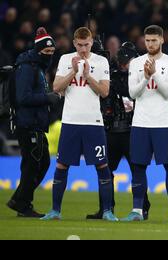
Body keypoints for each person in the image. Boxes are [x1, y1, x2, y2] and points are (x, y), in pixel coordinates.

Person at [41, 27, 118, 221]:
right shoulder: (66, 60)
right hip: (70, 121)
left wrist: (87, 75)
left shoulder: (101, 62)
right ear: (74, 43)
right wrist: (73, 72)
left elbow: (105, 91)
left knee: (102, 165)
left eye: (87, 44)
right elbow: (56, 87)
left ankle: (107, 211)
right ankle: (55, 211)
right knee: (61, 164)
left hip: (93, 122)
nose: (83, 49)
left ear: (91, 42)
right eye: (80, 45)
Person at [86, 42, 152, 220]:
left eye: (127, 62)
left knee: (137, 171)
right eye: (122, 62)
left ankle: (142, 208)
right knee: (105, 171)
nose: (124, 65)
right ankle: (106, 209)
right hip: (111, 130)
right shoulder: (112, 75)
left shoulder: (141, 77)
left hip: (132, 131)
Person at [124, 25, 168, 222]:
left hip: (163, 123)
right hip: (140, 123)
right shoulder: (136, 63)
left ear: (162, 40)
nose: (150, 44)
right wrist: (146, 77)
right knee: (138, 167)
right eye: (147, 41)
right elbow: (133, 93)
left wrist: (154, 74)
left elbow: (167, 92)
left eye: (154, 40)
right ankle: (137, 211)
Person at [6, 27, 61, 218]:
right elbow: (23, 98)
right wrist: (48, 98)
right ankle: (23, 204)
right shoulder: (27, 68)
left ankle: (19, 200)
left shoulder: (36, 67)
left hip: (35, 124)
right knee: (32, 165)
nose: (49, 55)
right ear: (38, 51)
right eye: (46, 52)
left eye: (52, 52)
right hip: (27, 124)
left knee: (41, 163)